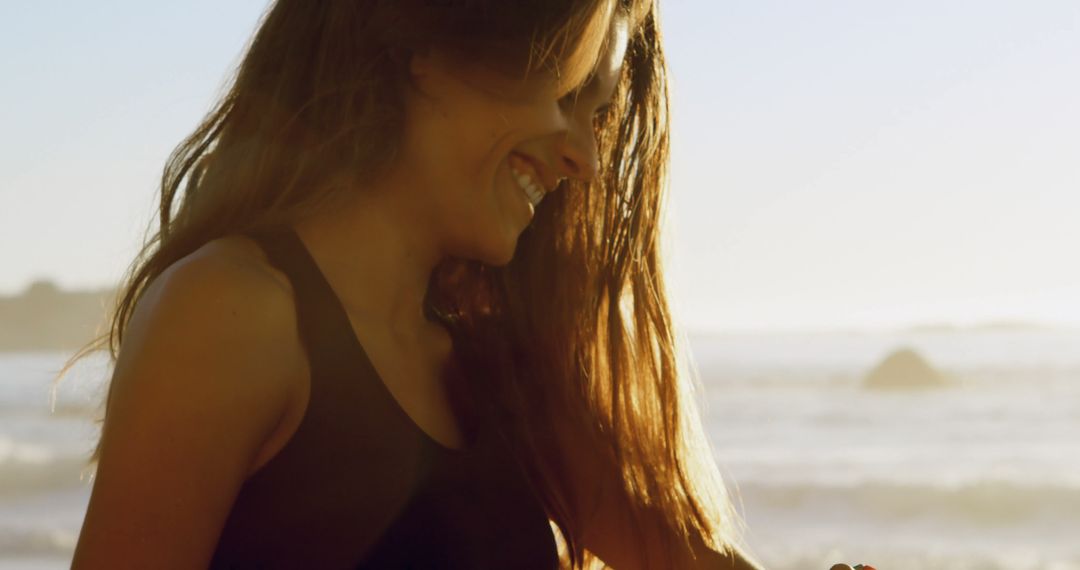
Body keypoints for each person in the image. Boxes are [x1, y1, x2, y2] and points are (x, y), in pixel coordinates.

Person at [64, 0, 764, 567]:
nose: (585, 157)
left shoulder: (494, 370)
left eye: (598, 114)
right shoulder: (231, 312)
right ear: (428, 43)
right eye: (569, 92)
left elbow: (686, 561)